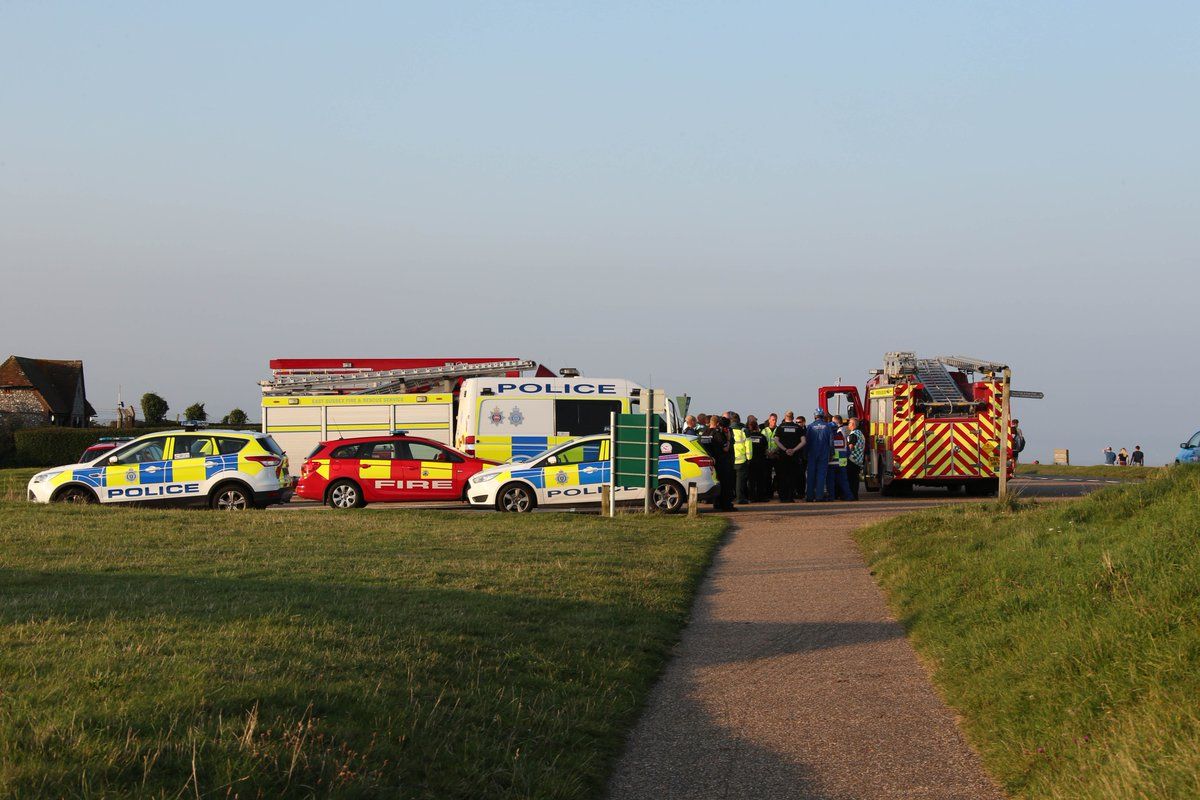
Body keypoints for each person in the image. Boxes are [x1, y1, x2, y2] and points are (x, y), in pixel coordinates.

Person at [697, 416, 733, 511]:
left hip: (709, 463)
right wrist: (728, 439)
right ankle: (726, 506)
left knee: (715, 484)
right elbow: (725, 448)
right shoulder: (717, 434)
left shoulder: (704, 433)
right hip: (721, 462)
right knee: (724, 484)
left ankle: (716, 504)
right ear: (717, 423)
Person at [774, 412, 806, 502]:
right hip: (794, 456)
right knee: (792, 477)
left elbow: (776, 440)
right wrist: (794, 450)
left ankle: (783, 498)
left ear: (785, 417)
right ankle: (790, 497)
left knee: (783, 477)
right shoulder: (798, 428)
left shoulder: (780, 427)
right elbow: (803, 441)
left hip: (783, 456)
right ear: (793, 417)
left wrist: (785, 450)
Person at [805, 410, 833, 501]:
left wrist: (805, 454)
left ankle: (809, 497)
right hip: (824, 454)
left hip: (812, 454)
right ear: (823, 416)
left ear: (815, 416)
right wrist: (831, 454)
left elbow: (806, 442)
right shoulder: (828, 427)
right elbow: (831, 442)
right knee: (821, 476)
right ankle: (819, 497)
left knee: (811, 475)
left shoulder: (810, 427)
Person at [826, 418, 853, 500]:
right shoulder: (843, 437)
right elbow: (848, 451)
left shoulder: (829, 438)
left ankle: (831, 497)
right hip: (842, 462)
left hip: (831, 462)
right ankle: (849, 496)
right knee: (844, 481)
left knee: (830, 481)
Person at [730, 412, 752, 505]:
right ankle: (740, 498)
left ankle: (731, 497)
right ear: (739, 420)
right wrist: (749, 458)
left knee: (730, 480)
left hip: (730, 459)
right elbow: (749, 445)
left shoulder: (728, 430)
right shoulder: (744, 431)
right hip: (741, 460)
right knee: (740, 481)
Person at [746, 416, 769, 502]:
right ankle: (761, 497)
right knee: (760, 480)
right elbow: (766, 449)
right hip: (761, 460)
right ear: (758, 427)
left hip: (751, 461)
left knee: (751, 480)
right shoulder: (762, 437)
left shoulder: (748, 436)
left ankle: (751, 497)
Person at [761, 413, 780, 500]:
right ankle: (768, 494)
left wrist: (774, 451)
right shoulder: (764, 431)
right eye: (772, 420)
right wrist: (767, 452)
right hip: (767, 456)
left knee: (779, 475)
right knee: (766, 476)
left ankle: (777, 491)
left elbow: (781, 443)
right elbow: (761, 444)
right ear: (769, 420)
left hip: (776, 455)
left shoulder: (779, 430)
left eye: (775, 420)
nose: (774, 421)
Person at [846, 417, 866, 500]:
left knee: (850, 479)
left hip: (852, 459)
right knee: (855, 479)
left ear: (853, 424)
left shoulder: (853, 434)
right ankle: (855, 496)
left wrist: (845, 454)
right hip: (859, 460)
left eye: (849, 423)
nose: (848, 425)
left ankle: (851, 496)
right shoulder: (861, 434)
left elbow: (850, 446)